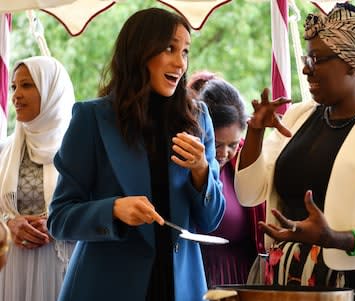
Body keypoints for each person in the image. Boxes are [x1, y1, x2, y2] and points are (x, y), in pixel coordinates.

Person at [234, 3, 355, 301]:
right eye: (305, 58)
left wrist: (336, 239)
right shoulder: (298, 116)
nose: (306, 69)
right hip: (288, 276)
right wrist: (255, 133)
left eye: (317, 59)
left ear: (353, 62)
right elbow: (248, 194)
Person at [46, 8, 225, 301]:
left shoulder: (198, 117)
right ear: (139, 51)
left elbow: (210, 220)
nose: (180, 63)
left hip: (180, 288)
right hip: (106, 287)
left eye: (185, 52)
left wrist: (201, 169)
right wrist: (113, 209)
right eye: (169, 48)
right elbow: (60, 219)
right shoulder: (91, 118)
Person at [0, 56, 76, 301]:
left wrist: (57, 224)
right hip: (13, 269)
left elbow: (100, 210)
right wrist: (8, 225)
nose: (16, 95)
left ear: (52, 90)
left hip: (63, 265)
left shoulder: (79, 148)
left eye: (27, 85)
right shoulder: (5, 151)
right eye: (14, 86)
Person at [188, 74, 266, 287]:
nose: (224, 153)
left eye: (232, 144)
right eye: (217, 144)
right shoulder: (184, 163)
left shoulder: (246, 168)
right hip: (192, 278)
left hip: (240, 283)